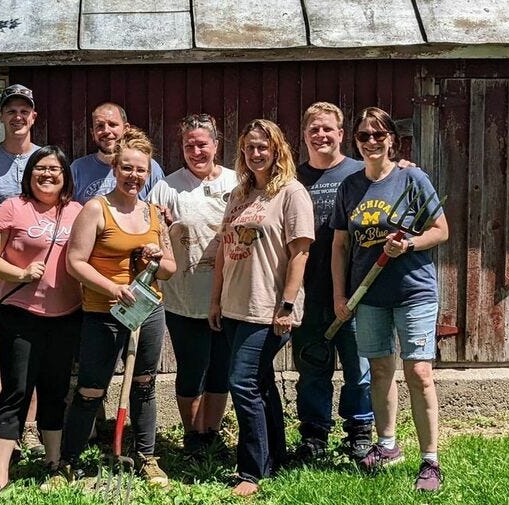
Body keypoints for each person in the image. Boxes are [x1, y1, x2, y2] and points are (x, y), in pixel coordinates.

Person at [331, 107, 449, 492]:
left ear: (392, 139)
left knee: (418, 373)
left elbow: (441, 230)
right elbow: (340, 245)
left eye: (378, 135)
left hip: (413, 290)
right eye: (364, 136)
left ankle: (430, 460)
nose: (371, 142)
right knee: (380, 370)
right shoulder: (350, 187)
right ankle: (387, 445)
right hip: (369, 295)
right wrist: (340, 293)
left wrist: (410, 244)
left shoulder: (412, 178)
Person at [57, 127, 176, 487]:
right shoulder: (96, 209)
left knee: (144, 383)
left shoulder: (154, 214)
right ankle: (69, 461)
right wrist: (113, 287)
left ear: (148, 172)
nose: (133, 176)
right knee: (91, 388)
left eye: (141, 169)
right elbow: (74, 262)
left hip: (147, 311)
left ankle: (146, 457)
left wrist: (155, 256)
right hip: (103, 312)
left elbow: (169, 269)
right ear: (115, 168)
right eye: (127, 168)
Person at [209, 119, 315, 496]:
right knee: (261, 382)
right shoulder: (239, 194)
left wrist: (286, 304)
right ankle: (275, 456)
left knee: (242, 382)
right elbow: (224, 249)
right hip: (235, 305)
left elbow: (300, 253)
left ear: (277, 150)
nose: (256, 153)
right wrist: (216, 299)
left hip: (269, 307)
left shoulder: (290, 192)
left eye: (263, 147)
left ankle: (251, 470)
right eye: (250, 147)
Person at [0, 146, 83, 495]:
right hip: (20, 315)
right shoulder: (12, 208)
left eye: (55, 169)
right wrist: (21, 273)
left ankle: (53, 463)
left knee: (55, 391)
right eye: (40, 168)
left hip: (66, 316)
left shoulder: (77, 212)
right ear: (29, 174)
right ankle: (0, 471)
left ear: (65, 176)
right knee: (16, 391)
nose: (48, 174)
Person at [148, 114, 236, 457]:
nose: (196, 151)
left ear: (216, 144)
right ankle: (193, 434)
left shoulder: (237, 182)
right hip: (184, 296)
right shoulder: (167, 188)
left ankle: (211, 433)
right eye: (189, 145)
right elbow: (149, 230)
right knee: (191, 369)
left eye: (202, 144)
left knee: (220, 370)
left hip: (230, 295)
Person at [290, 102, 374, 462]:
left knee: (359, 368)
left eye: (328, 129)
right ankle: (314, 437)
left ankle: (359, 433)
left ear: (341, 134)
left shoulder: (363, 173)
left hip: (357, 293)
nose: (321, 135)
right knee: (311, 367)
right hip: (309, 292)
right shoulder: (291, 179)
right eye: (314, 129)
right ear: (305, 135)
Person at [0, 83, 45, 455]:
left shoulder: (45, 160)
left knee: (31, 356)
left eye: (24, 110)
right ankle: (7, 429)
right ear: (1, 117)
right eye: (10, 110)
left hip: (40, 277)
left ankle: (30, 427)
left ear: (34, 117)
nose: (18, 116)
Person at [71, 102, 164, 204]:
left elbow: (160, 210)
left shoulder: (147, 167)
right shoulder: (77, 169)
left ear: (126, 129)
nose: (106, 130)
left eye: (112, 124)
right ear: (92, 133)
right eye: (100, 126)